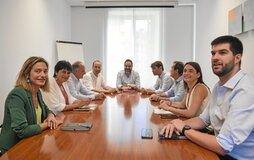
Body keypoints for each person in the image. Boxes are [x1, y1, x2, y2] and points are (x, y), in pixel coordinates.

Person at [160, 35, 254, 160]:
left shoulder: (246, 90)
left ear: (237, 58)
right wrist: (176, 124)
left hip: (233, 156)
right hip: (216, 150)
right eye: (213, 53)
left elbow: (223, 145)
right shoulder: (219, 86)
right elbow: (203, 120)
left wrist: (184, 128)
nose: (215, 57)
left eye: (222, 53)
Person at [0, 57, 59, 155]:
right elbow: (22, 130)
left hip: (31, 142)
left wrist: (51, 116)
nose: (43, 75)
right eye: (38, 71)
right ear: (27, 74)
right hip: (13, 149)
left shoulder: (37, 91)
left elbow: (46, 109)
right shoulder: (17, 95)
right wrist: (47, 124)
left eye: (45, 71)